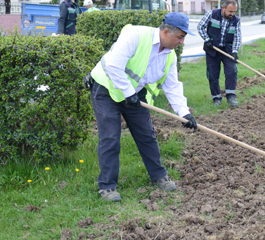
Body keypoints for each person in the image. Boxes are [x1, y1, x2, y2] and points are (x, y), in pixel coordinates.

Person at [84, 12, 198, 201]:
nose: (182, 43)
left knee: (146, 134)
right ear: (167, 32)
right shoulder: (136, 35)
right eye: (180, 37)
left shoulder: (170, 56)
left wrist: (185, 113)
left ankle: (159, 176)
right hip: (107, 88)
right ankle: (107, 186)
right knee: (110, 137)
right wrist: (128, 93)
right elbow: (113, 66)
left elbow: (172, 86)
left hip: (135, 94)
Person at [197, 0, 242, 107]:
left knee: (232, 71)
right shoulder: (212, 14)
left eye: (234, 11)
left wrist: (235, 52)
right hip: (213, 50)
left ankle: (231, 97)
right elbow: (200, 27)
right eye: (230, 11)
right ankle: (216, 98)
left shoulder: (236, 20)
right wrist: (207, 40)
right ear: (223, 8)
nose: (232, 14)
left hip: (227, 51)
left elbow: (237, 37)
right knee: (213, 75)